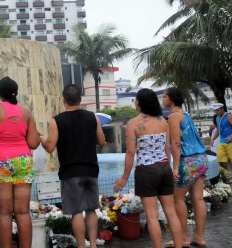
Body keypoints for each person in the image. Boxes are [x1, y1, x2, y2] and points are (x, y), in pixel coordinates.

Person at [114, 88, 183, 248]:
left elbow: (131, 152)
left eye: (136, 99)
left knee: (152, 217)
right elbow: (168, 148)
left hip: (146, 171)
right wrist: (170, 167)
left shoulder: (133, 123)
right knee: (171, 213)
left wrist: (124, 177)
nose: (135, 102)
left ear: (140, 102)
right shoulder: (163, 121)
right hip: (164, 168)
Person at [40, 84, 106, 248]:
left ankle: (82, 246)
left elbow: (49, 147)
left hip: (71, 172)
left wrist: (40, 137)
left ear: (63, 100)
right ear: (80, 99)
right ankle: (93, 245)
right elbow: (102, 141)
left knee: (77, 211)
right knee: (91, 210)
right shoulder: (93, 117)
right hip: (91, 170)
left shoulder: (57, 121)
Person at [0, 76, 40, 248]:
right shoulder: (26, 112)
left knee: (4, 213)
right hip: (23, 162)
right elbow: (33, 143)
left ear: (0, 93)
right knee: (23, 211)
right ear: (16, 92)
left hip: (0, 162)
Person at [163, 88, 209, 248]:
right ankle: (199, 236)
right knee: (198, 198)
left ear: (172, 99)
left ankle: (182, 237)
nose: (163, 99)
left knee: (178, 198)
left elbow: (176, 143)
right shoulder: (186, 114)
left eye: (165, 96)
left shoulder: (174, 116)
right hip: (201, 158)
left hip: (187, 160)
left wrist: (175, 167)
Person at [210, 103, 232, 184]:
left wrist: (231, 136)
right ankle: (226, 175)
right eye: (215, 110)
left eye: (217, 110)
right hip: (222, 141)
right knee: (220, 158)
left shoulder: (228, 116)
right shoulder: (217, 118)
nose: (216, 112)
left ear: (222, 109)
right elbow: (218, 129)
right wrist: (213, 139)